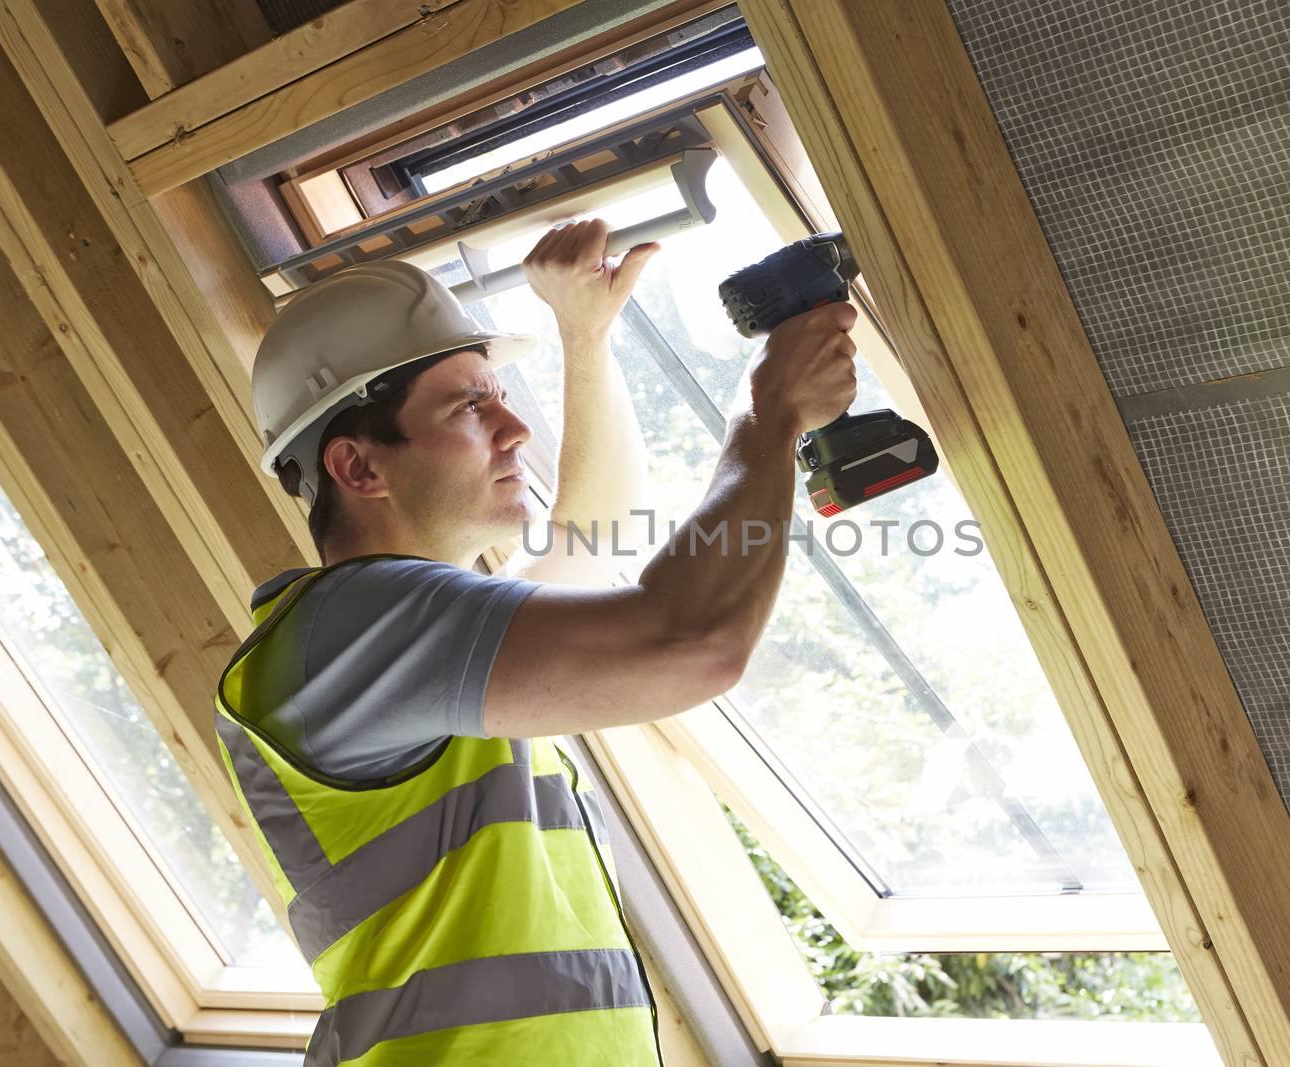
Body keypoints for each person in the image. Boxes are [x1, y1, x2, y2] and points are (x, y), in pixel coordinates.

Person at [215, 218, 858, 1065]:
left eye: (500, 396)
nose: (515, 430)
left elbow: (595, 531)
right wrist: (768, 412)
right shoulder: (344, 637)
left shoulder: (402, 646)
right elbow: (690, 641)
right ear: (359, 468)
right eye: (470, 406)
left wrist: (584, 336)